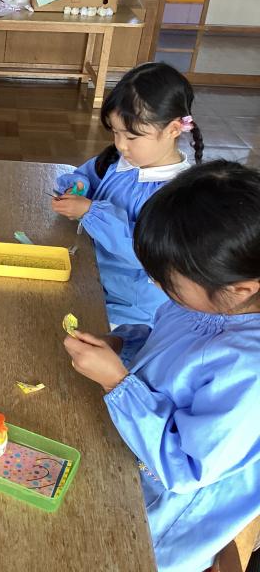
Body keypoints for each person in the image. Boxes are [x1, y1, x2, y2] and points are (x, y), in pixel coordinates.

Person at [63, 160, 260, 572]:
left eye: (168, 280)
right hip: (123, 446)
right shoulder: (205, 303)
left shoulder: (249, 370)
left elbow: (185, 468)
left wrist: (117, 382)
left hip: (153, 525)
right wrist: (122, 343)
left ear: (240, 289)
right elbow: (164, 342)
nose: (155, 284)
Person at [52, 62, 204, 327]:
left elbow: (146, 253)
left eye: (132, 137)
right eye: (115, 132)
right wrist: (77, 187)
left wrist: (91, 211)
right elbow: (86, 176)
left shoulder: (181, 195)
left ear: (173, 129)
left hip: (134, 308)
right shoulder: (119, 162)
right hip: (94, 279)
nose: (121, 145)